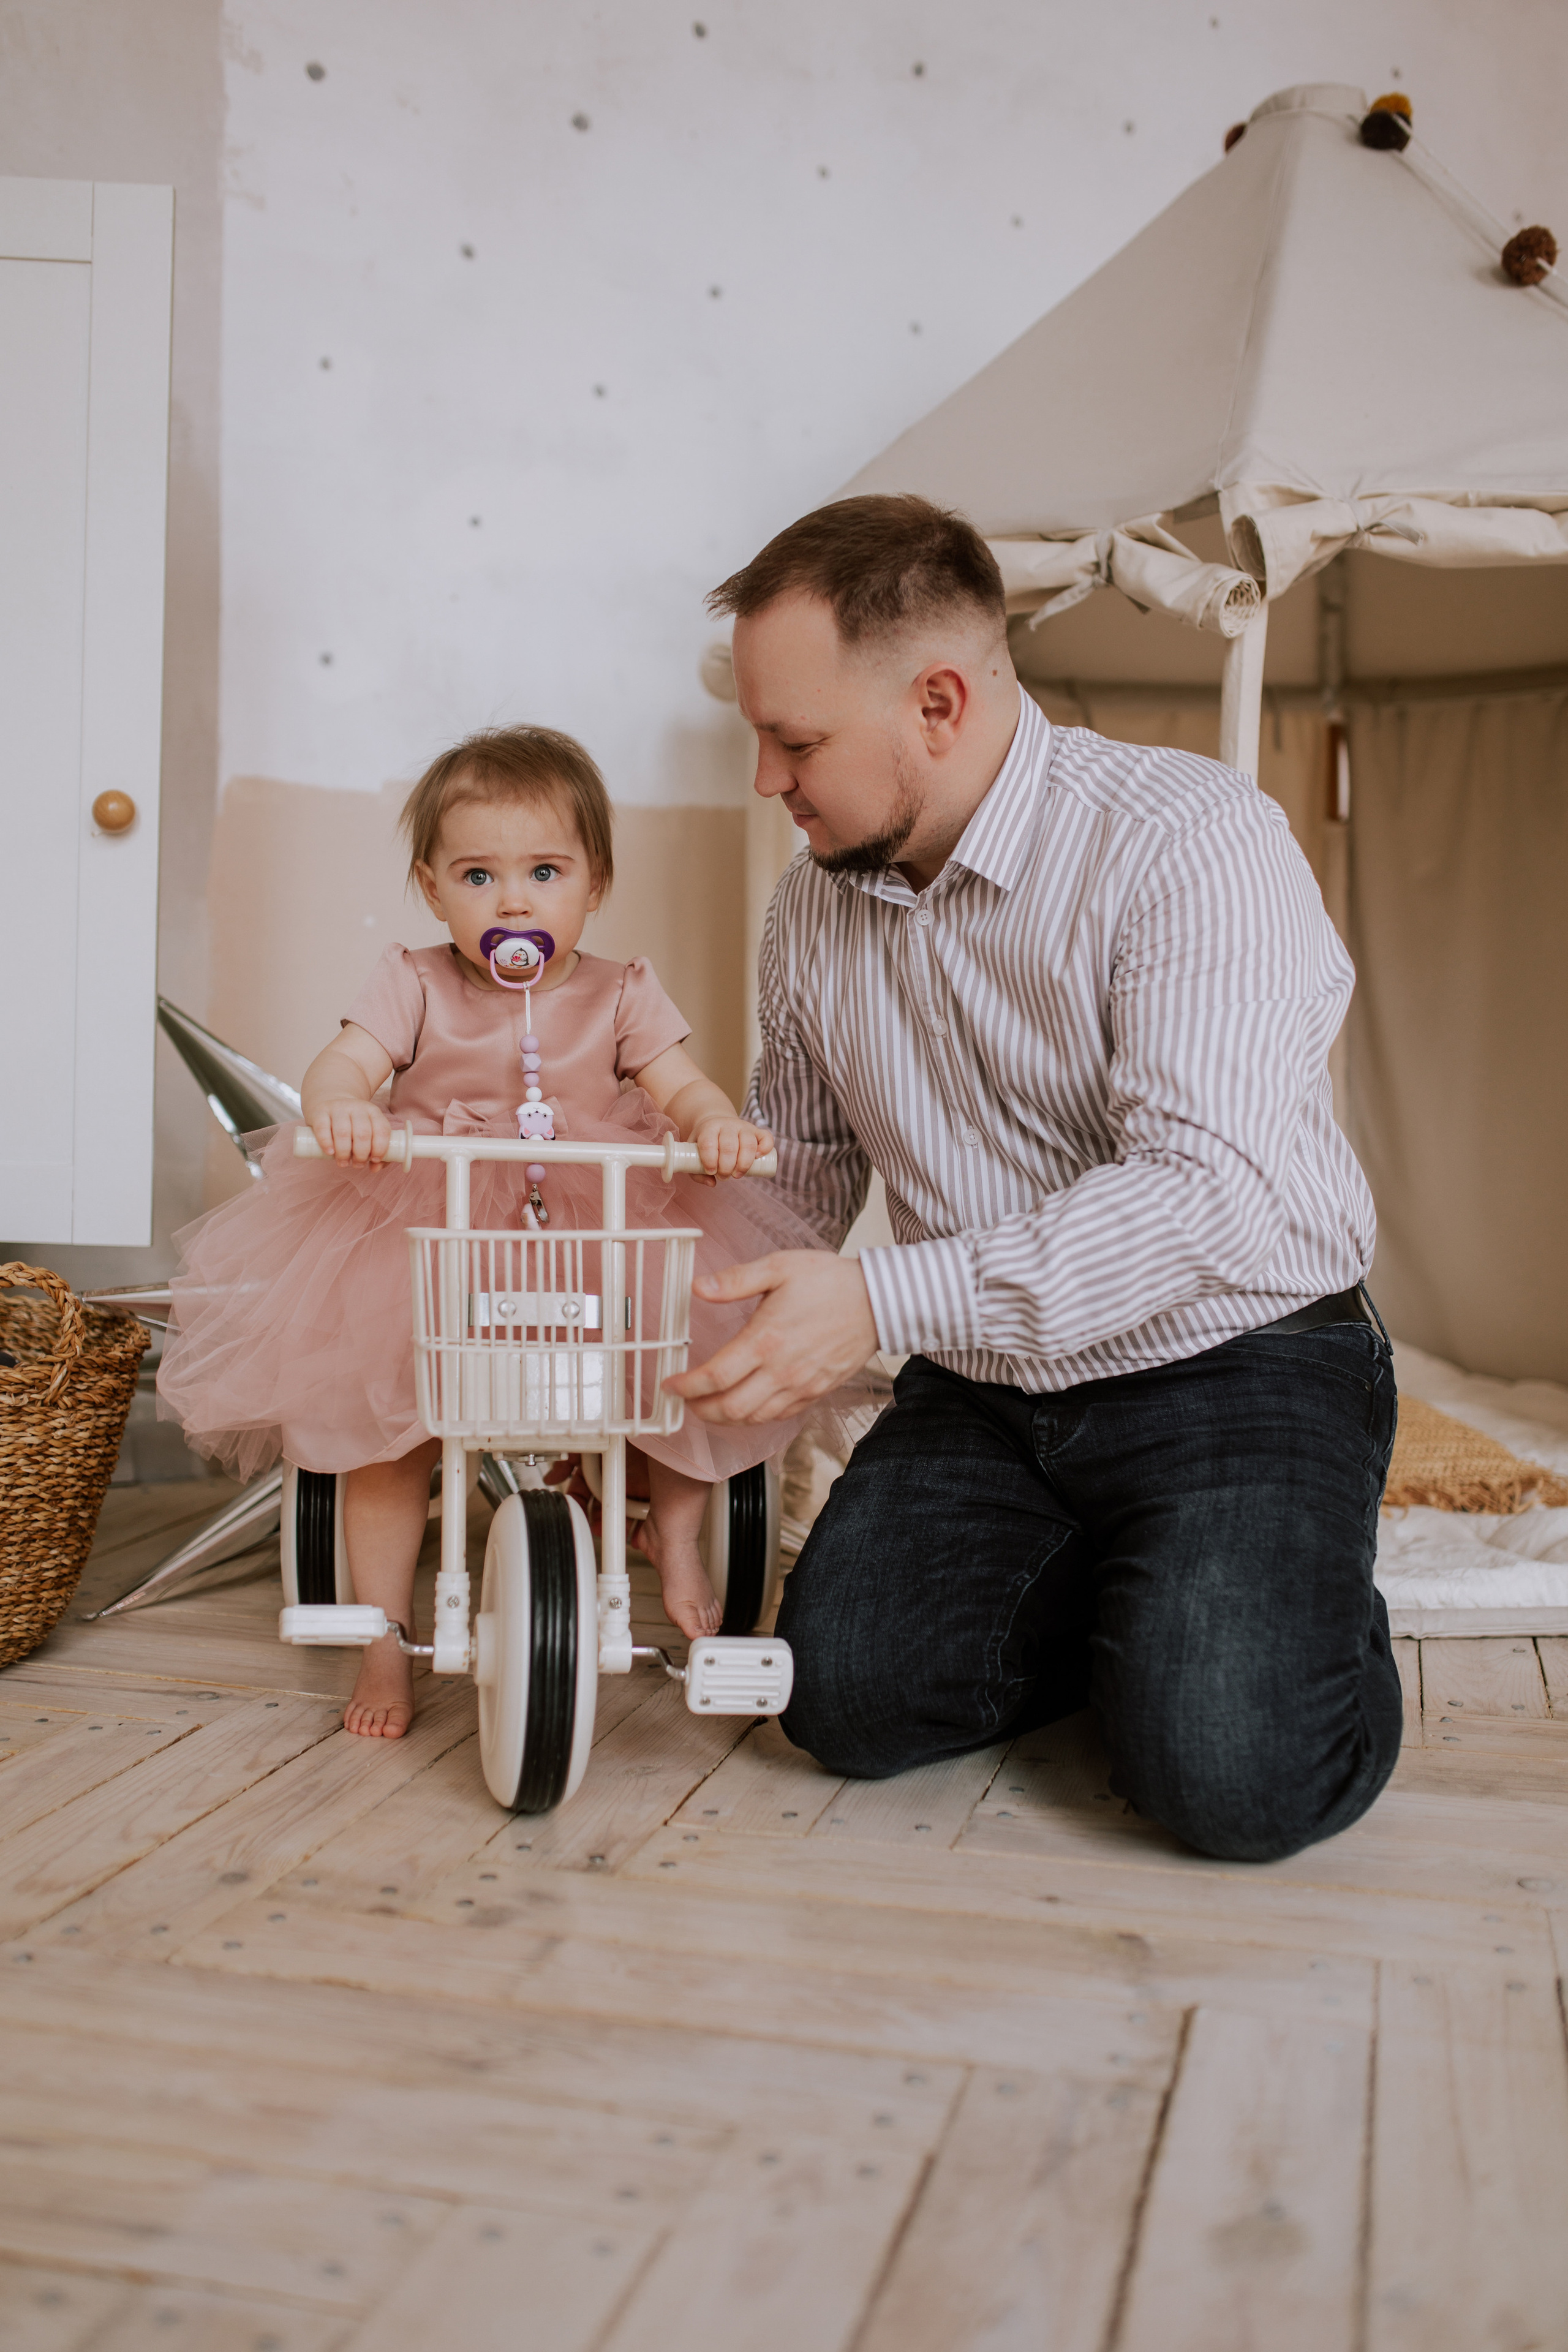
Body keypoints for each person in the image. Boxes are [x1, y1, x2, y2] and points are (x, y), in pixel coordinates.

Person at [669, 493, 1401, 1864]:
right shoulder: (810, 905)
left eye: (795, 741)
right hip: (990, 1387)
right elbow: (796, 1179)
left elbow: (1202, 1199)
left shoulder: (1189, 841)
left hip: (1235, 1355)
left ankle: (1271, 1594)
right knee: (835, 1704)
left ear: (936, 703)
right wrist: (663, 1371)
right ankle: (1141, 1607)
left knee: (1230, 1780)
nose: (768, 778)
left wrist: (880, 1304)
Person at [157, 725, 821, 1735]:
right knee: (384, 1428)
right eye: (479, 875)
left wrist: (714, 1126)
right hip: (437, 1227)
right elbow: (345, 1062)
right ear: (432, 887)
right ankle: (383, 1635)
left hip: (597, 1230)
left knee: (690, 1356)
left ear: (593, 882)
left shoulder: (621, 992)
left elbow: (683, 1088)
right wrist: (346, 1106)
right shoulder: (415, 981)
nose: (512, 901)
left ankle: (674, 1537)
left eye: (544, 871)